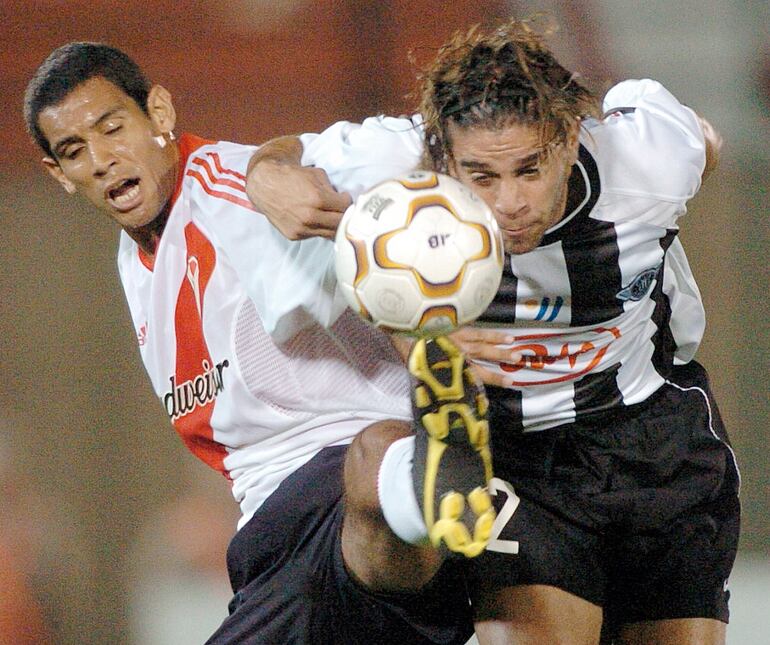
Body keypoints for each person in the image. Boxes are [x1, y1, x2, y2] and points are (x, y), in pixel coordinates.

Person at [245, 18, 741, 645]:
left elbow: (702, 143)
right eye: (481, 176)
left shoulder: (647, 158)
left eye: (530, 169)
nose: (509, 202)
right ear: (444, 156)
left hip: (656, 441)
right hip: (515, 457)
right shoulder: (395, 162)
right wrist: (267, 179)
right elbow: (281, 154)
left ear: (567, 139)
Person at [23, 42, 500, 645]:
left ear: (160, 114)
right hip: (274, 534)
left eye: (112, 128)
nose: (100, 160)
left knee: (374, 456)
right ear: (57, 174)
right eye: (74, 150)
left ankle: (429, 475)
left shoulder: (237, 195)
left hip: (331, 489)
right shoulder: (136, 252)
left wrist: (435, 348)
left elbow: (374, 254)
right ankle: (426, 498)